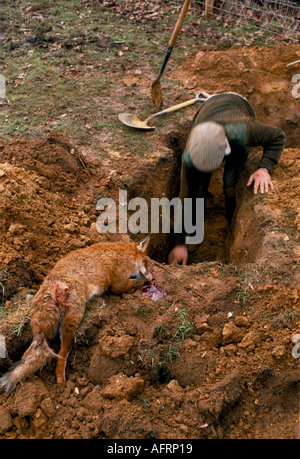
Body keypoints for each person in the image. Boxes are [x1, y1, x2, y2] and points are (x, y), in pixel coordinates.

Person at [168, 92, 286, 265]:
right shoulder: (190, 154)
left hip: (237, 106)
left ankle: (231, 218)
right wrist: (180, 243)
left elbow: (277, 137)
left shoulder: (244, 130)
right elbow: (185, 196)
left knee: (230, 179)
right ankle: (194, 226)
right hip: (207, 111)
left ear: (224, 147)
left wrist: (264, 168)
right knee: (196, 188)